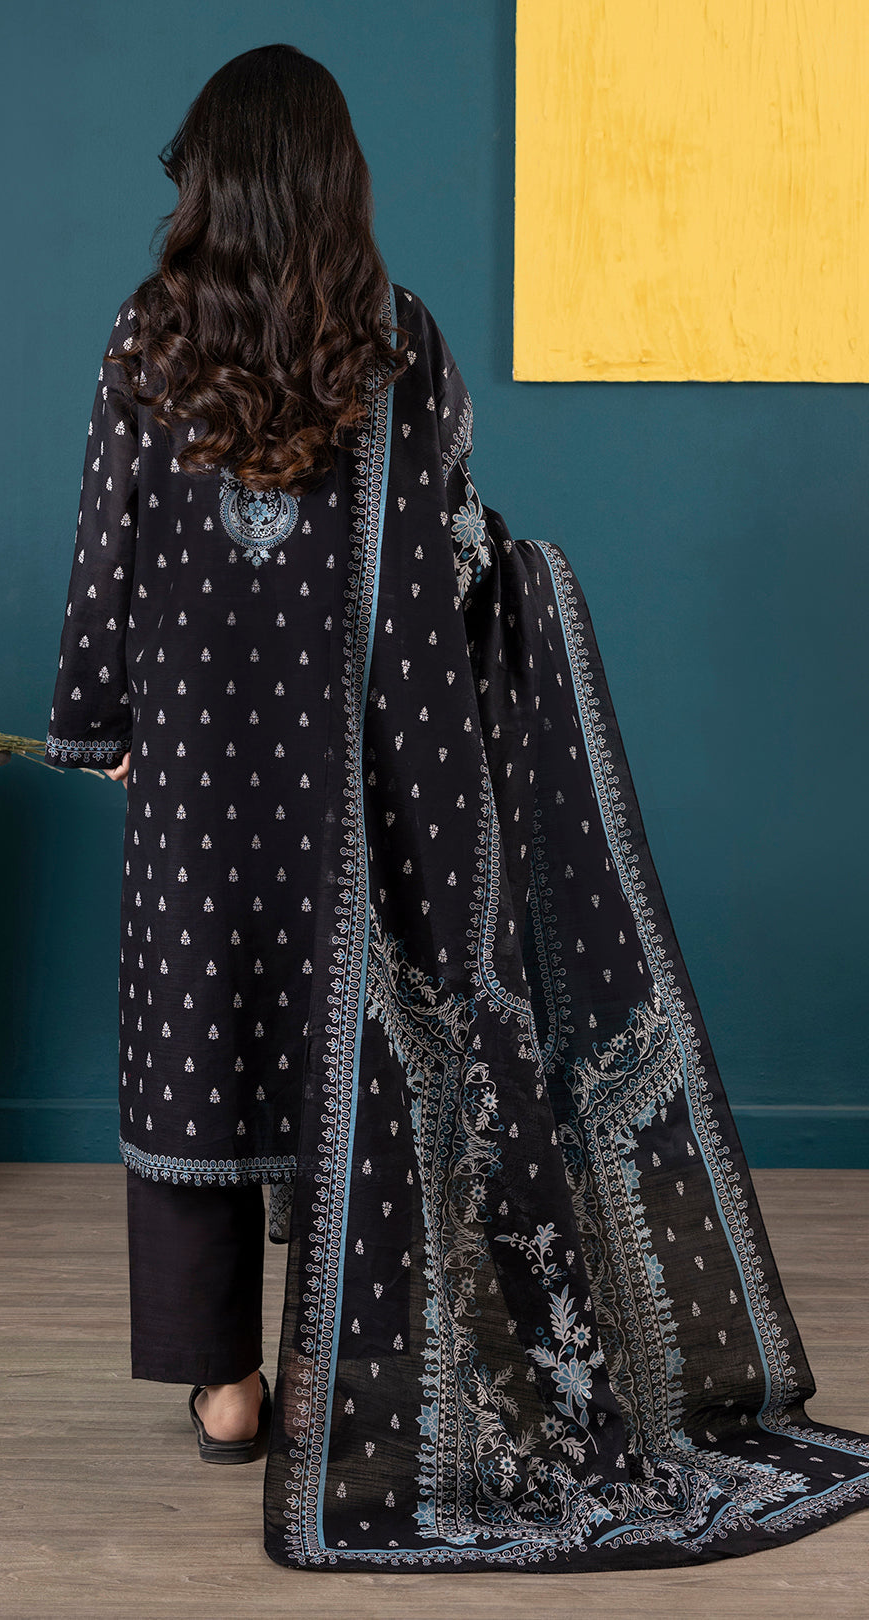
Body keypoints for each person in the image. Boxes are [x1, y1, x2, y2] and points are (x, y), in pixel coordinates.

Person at [46, 42, 869, 1572]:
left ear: (209, 182)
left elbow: (112, 543)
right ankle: (345, 1375)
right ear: (338, 179)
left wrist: (97, 724)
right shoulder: (396, 340)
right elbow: (446, 543)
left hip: (202, 781)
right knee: (354, 1044)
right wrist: (503, 580)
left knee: (201, 1040)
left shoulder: (145, 335)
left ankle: (227, 1394)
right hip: (362, 789)